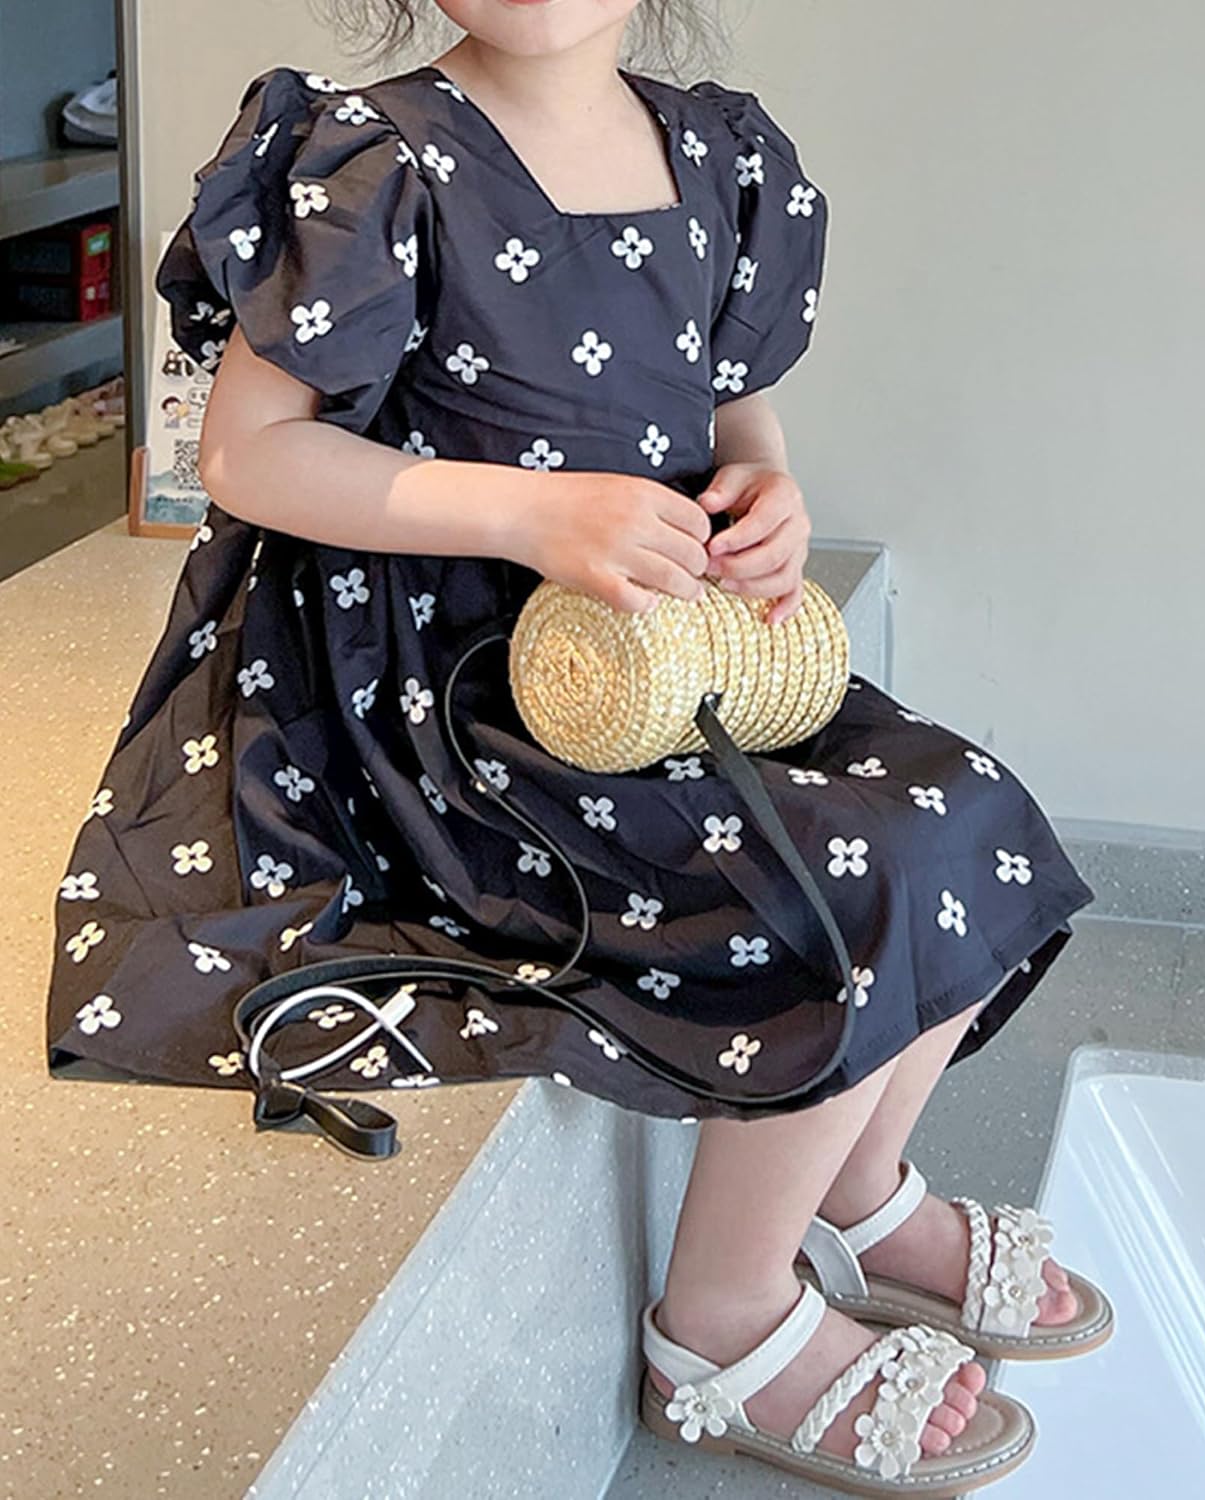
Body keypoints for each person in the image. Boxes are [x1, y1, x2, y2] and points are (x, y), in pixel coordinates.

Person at [45, 1, 1111, 1489]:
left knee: (970, 809)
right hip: (455, 693)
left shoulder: (719, 153)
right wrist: (536, 513)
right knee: (848, 881)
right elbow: (247, 453)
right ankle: (721, 1318)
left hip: (661, 654)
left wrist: (766, 495)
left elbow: (737, 412)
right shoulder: (375, 159)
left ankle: (860, 1193)